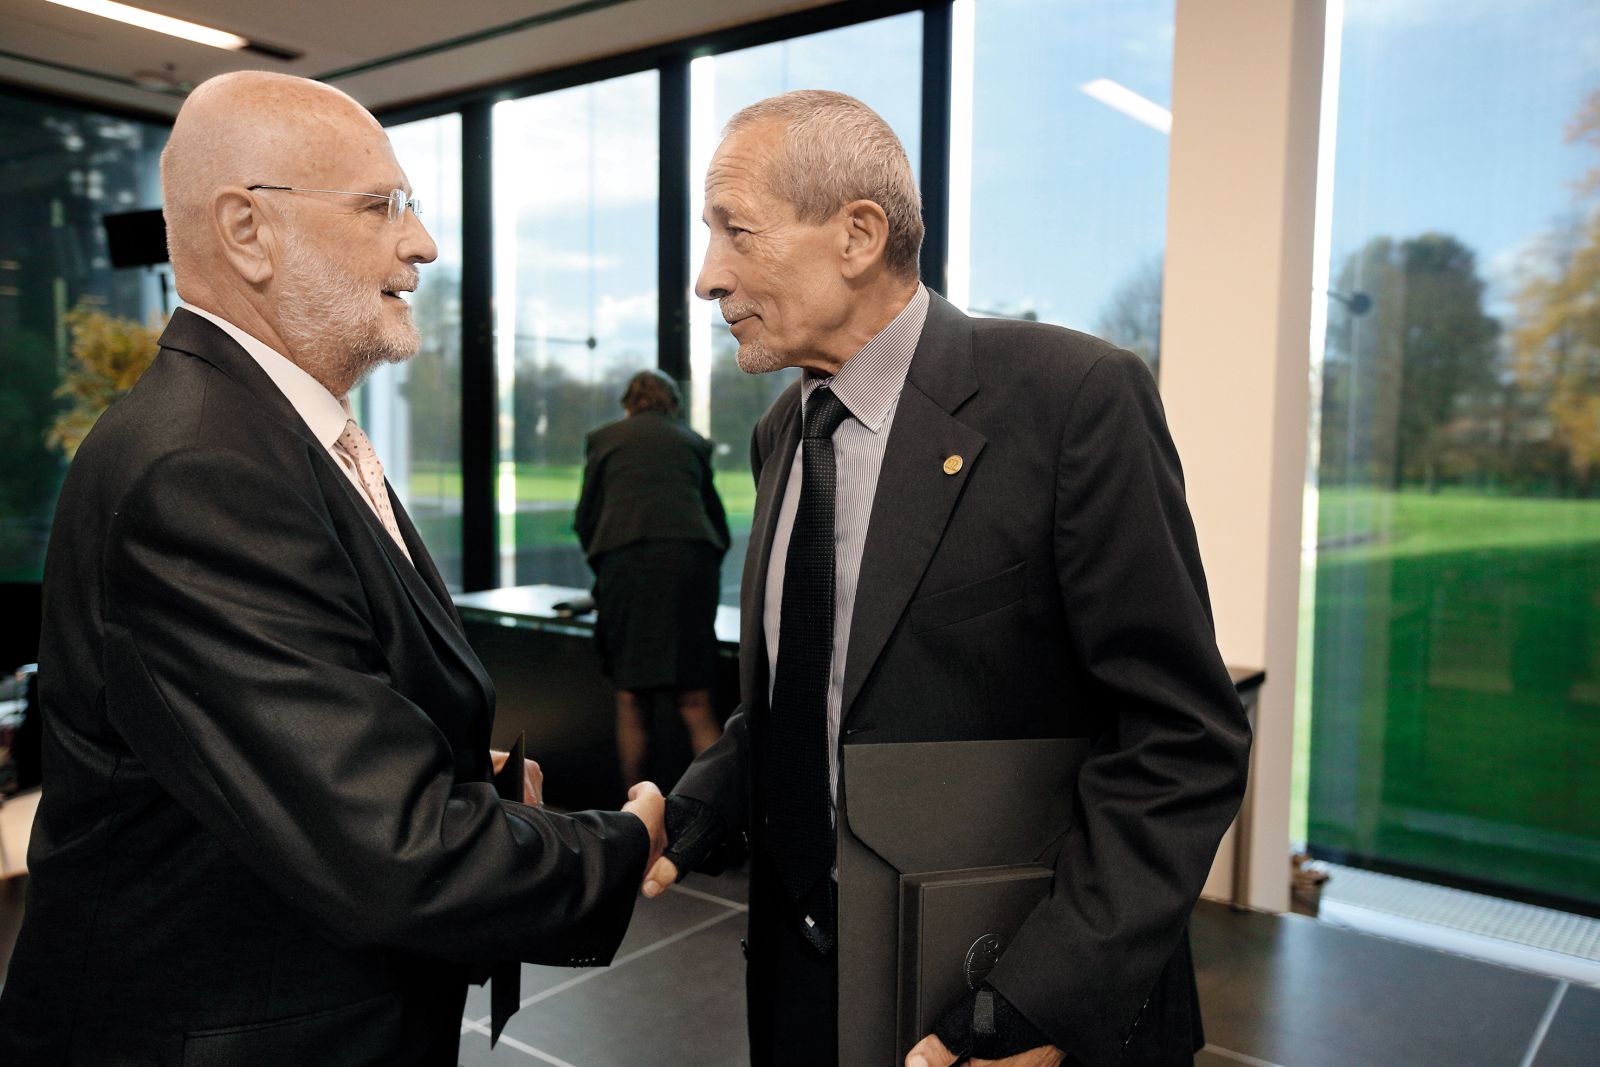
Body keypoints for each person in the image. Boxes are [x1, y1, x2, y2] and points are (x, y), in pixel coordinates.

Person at [0, 71, 665, 1065]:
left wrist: (444, 766)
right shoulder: (204, 465)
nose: (422, 244)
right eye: (379, 206)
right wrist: (625, 841)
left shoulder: (271, 433)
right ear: (246, 230)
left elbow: (280, 720)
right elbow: (391, 854)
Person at [641, 90, 1252, 1067]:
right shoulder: (783, 431)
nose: (708, 277)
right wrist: (698, 805)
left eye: (736, 232)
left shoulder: (1073, 400)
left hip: (1008, 996)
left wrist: (1044, 998)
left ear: (858, 234)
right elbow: (820, 694)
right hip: (805, 984)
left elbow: (1180, 736)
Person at [575, 369, 731, 790]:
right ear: (672, 404)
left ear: (629, 403)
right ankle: (721, 821)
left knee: (631, 698)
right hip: (691, 566)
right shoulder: (692, 441)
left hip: (628, 565)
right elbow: (716, 525)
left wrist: (606, 577)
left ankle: (637, 819)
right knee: (695, 701)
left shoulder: (605, 439)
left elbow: (587, 519)